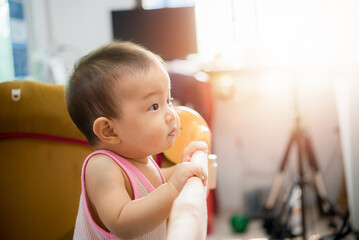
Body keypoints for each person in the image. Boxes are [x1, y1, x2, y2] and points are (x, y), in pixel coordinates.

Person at [66, 41, 208, 240]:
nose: (171, 114)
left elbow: (153, 181)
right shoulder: (101, 166)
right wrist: (173, 188)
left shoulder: (142, 159)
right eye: (154, 106)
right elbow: (121, 221)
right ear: (109, 130)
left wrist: (182, 168)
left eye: (168, 100)